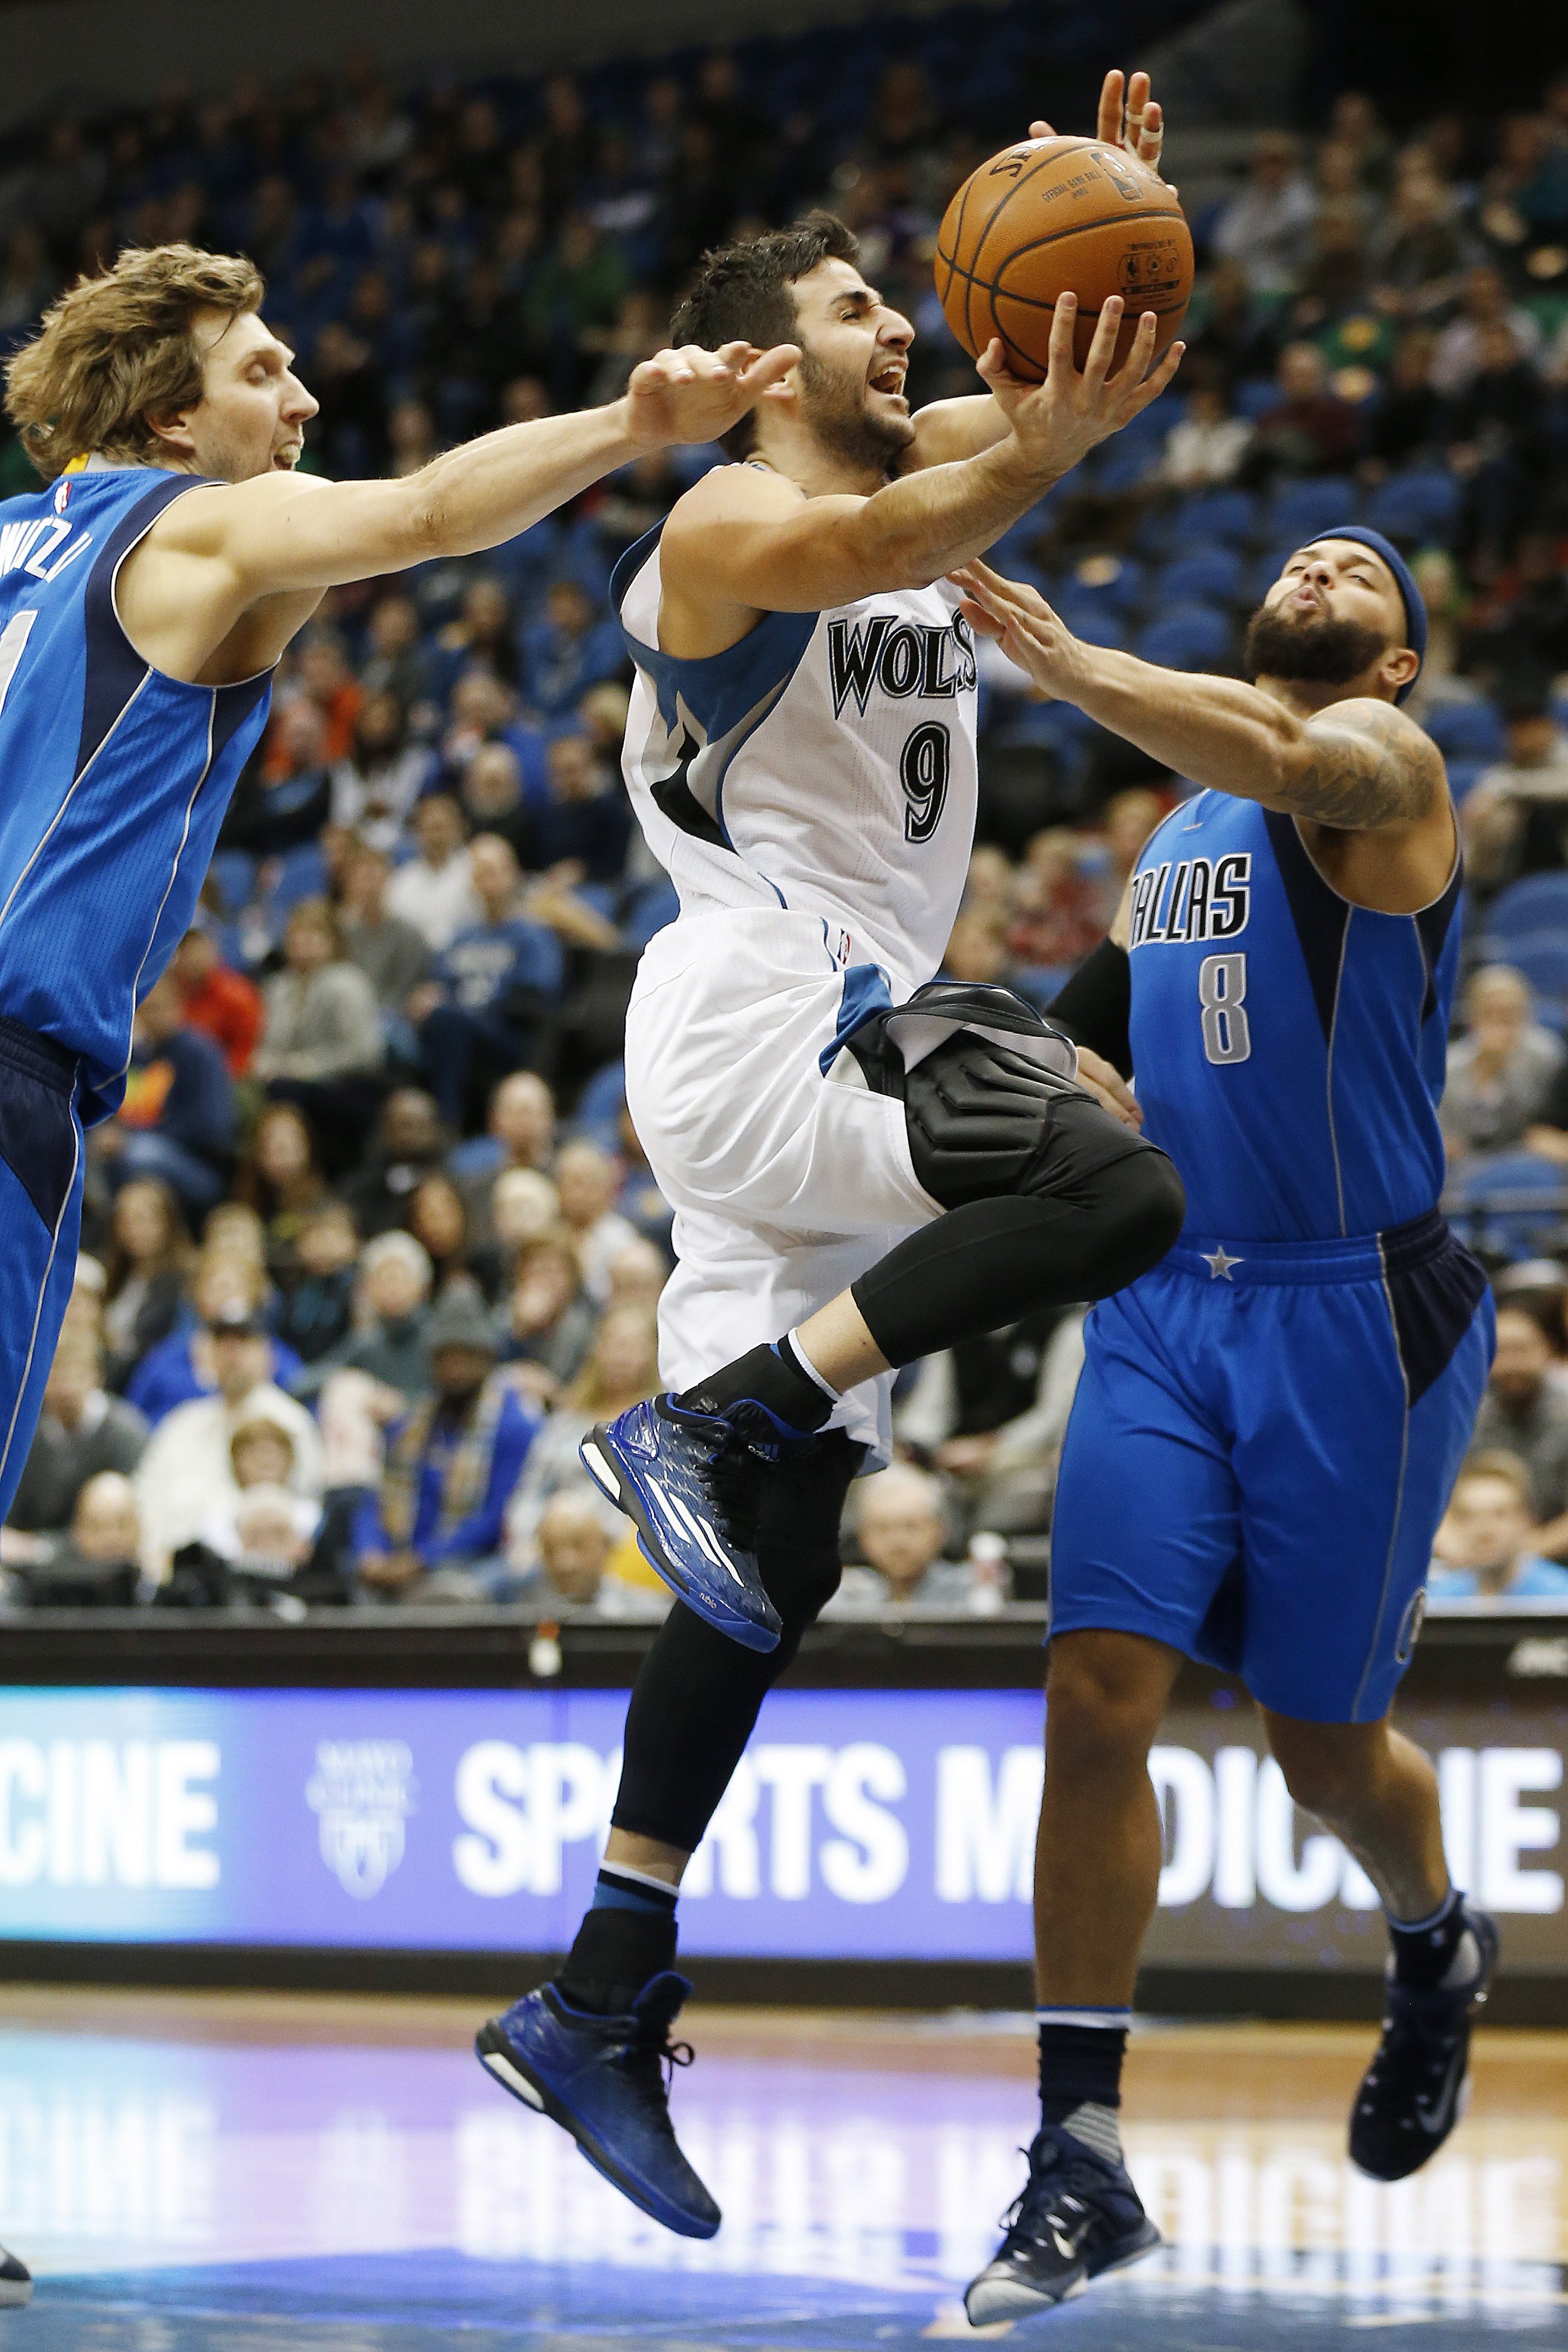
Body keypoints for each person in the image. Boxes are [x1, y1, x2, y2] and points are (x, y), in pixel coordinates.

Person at [474, 70, 1186, 2246]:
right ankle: (722, 1405)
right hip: (765, 1024)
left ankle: (593, 1997)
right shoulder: (715, 535)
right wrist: (1022, 432)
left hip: (794, 1077)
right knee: (1109, 1180)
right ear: (765, 363)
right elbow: (890, 532)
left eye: (913, 303)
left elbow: (1002, 440)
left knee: (765, 1566)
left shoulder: (921, 493)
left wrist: (1108, 231)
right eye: (870, 307)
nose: (906, 333)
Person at [0, 237, 793, 1528]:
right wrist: (632, 422)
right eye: (263, 371)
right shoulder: (190, 520)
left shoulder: (12, 543)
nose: (304, 401)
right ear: (170, 414)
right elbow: (425, 512)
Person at [946, 524, 1496, 2317]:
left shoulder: (1385, 768)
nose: (1326, 562)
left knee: (1322, 1752)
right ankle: (1079, 2149)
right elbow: (1084, 1032)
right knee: (1097, 1700)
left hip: (1358, 1314)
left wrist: (1069, 660)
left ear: (1397, 660)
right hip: (1173, 1306)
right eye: (1305, 555)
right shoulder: (1172, 835)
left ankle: (1433, 1940)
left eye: (1365, 570)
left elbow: (1270, 752)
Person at [353, 1282, 541, 1602]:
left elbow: (497, 1518)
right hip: (402, 1558)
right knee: (358, 1585)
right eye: (445, 1358)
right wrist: (369, 1552)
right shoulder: (411, 1425)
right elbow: (375, 1500)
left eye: (466, 1357)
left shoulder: (514, 1425)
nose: (455, 1370)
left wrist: (423, 1559)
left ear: (487, 1359)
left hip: (474, 1561)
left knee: (454, 1595)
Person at [134, 1300, 322, 1575]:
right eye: (222, 1343)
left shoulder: (290, 1423)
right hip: (169, 1576)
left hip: (248, 1577)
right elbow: (144, 1497)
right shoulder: (182, 1423)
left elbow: (307, 1513)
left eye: (243, 1342)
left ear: (267, 1354)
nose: (231, 1354)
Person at [413, 833, 563, 1128]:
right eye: (479, 873)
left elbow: (536, 999)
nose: (487, 880)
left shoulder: (533, 935)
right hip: (458, 1030)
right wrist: (427, 996)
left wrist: (476, 1008)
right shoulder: (461, 937)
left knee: (447, 1020)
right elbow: (438, 986)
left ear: (513, 875)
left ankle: (447, 1126)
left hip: (506, 1036)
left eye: (494, 871)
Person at [96, 971, 237, 1217]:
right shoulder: (136, 1057)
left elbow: (212, 1128)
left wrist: (130, 1138)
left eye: (159, 1007)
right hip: (136, 1148)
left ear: (178, 1006)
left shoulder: (200, 1053)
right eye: (145, 1009)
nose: (152, 1017)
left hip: (198, 1166)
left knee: (139, 1152)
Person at [1468, 1302, 1568, 1552]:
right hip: (1479, 1560)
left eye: (1521, 1350)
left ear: (1548, 1350)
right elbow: (1435, 1501)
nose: (1511, 1365)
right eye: (1501, 1352)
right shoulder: (1469, 1418)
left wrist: (1527, 1553)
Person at [1440, 965, 1563, 1161]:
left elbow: (1540, 1124)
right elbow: (1450, 1136)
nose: (1503, 1022)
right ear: (1473, 1017)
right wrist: (1484, 1072)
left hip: (1531, 1160)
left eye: (1511, 1012)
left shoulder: (1546, 1054)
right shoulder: (1452, 1063)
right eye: (1492, 1012)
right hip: (1465, 1165)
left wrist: (1505, 1068)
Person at [825, 1460, 975, 1610]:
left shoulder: (973, 1591)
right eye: (883, 1529)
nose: (897, 1542)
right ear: (863, 1536)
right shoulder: (845, 1596)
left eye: (911, 1527)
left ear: (940, 1531)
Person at [1431, 1451, 1568, 1602]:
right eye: (1470, 1516)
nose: (1485, 1530)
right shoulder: (1439, 1599)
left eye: (1499, 1515)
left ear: (1528, 1521)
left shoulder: (1560, 1597)